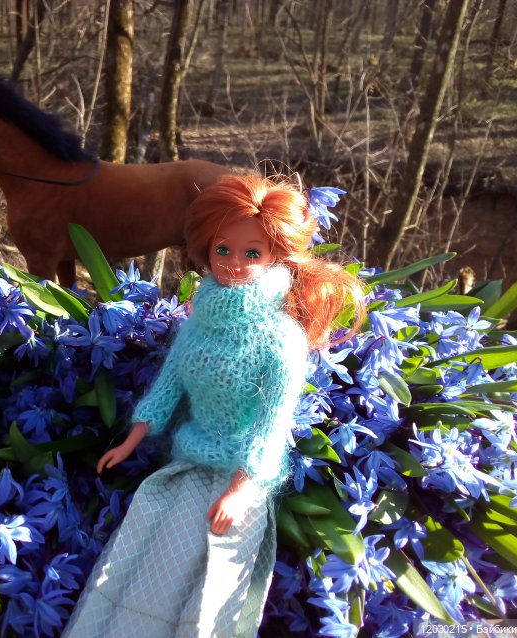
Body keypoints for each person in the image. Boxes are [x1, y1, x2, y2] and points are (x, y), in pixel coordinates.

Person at [62, 174, 366, 638]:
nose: (235, 264)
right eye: (223, 250)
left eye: (252, 253)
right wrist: (131, 441)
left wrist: (240, 490)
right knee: (144, 566)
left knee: (206, 597)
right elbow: (168, 387)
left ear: (276, 256)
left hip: (236, 482)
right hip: (187, 468)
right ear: (206, 249)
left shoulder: (280, 339)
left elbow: (271, 428)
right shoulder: (198, 322)